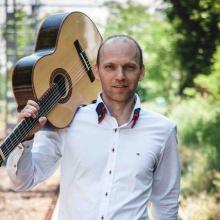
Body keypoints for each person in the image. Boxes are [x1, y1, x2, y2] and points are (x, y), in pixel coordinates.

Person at [7, 35, 180, 220]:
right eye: (110, 67)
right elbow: (23, 181)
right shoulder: (67, 121)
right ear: (97, 71)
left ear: (142, 72)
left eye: (129, 67)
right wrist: (26, 139)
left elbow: (166, 204)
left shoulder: (163, 130)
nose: (119, 76)